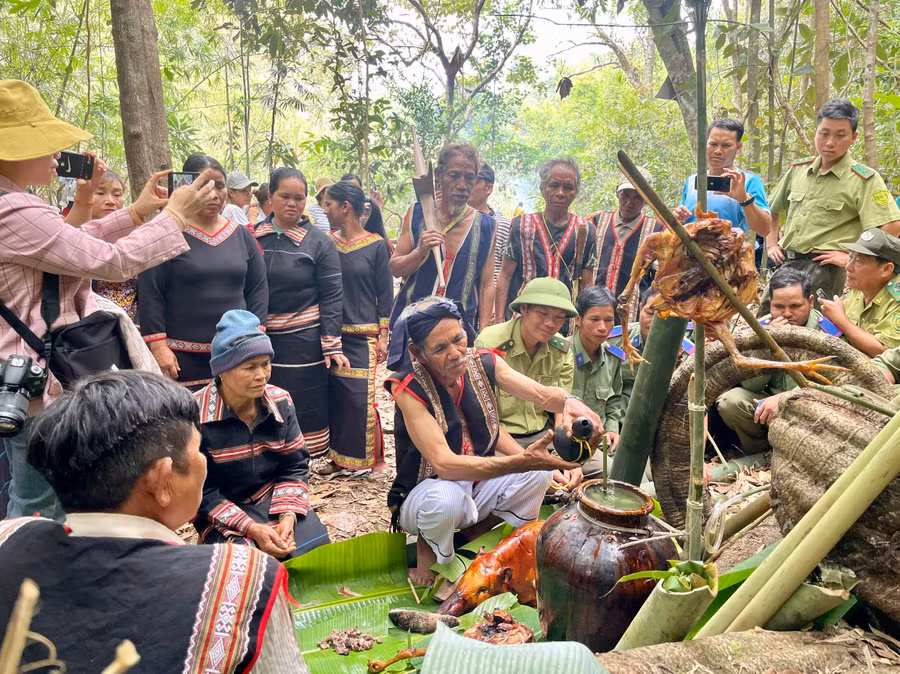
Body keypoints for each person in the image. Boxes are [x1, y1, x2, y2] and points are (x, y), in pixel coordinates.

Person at [0, 79, 217, 521]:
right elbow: (112, 262)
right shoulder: (14, 210)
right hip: (41, 379)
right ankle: (31, 580)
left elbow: (71, 245)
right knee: (40, 500)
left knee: (43, 492)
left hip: (30, 376)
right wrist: (174, 215)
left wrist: (136, 212)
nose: (55, 155)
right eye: (43, 144)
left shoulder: (17, 206)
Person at [1, 370, 309, 673]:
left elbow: (295, 466)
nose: (203, 459)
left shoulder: (8, 536)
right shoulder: (241, 580)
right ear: (162, 481)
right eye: (197, 450)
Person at [386, 296, 600, 584]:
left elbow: (540, 394)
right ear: (418, 352)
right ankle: (440, 560)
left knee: (538, 472)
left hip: (475, 485)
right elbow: (446, 466)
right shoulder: (408, 387)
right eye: (440, 348)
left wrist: (571, 402)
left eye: (458, 339)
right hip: (427, 492)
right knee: (446, 500)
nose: (455, 352)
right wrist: (518, 462)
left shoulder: (482, 362)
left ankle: (488, 540)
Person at [194, 311, 329, 558]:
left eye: (266, 364)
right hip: (222, 509)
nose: (261, 376)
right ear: (222, 370)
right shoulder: (196, 415)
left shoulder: (281, 401)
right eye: (249, 367)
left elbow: (295, 465)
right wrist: (251, 529)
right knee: (246, 563)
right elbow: (199, 489)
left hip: (272, 499)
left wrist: (287, 516)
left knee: (314, 549)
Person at [139, 154, 268, 390]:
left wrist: (255, 337)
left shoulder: (242, 235)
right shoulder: (167, 234)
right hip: (181, 358)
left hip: (236, 354)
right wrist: (158, 346)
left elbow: (258, 289)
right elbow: (151, 292)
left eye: (219, 186)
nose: (213, 193)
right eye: (203, 186)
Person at [765, 99, 900, 309]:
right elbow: (773, 208)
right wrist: (772, 243)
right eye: (824, 133)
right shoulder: (799, 170)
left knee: (810, 332)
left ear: (853, 137)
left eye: (840, 135)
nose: (830, 142)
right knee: (763, 324)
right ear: (815, 131)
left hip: (823, 269)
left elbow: (891, 225)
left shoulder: (864, 179)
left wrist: (851, 257)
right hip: (786, 263)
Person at [255, 167, 348, 459]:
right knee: (263, 395)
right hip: (262, 338)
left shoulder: (319, 242)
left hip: (303, 340)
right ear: (270, 196)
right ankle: (270, 451)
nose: (292, 204)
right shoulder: (252, 237)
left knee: (305, 396)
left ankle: (305, 455)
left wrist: (331, 343)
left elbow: (332, 294)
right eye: (284, 196)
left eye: (299, 197)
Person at [716, 268, 841, 453]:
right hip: (768, 409)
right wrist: (768, 346)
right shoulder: (759, 329)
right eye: (779, 307)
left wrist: (785, 399)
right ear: (770, 303)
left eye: (796, 306)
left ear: (811, 302)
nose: (787, 313)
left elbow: (836, 384)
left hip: (813, 406)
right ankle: (761, 452)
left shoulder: (828, 332)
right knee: (730, 401)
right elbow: (750, 387)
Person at [321, 180, 392, 474]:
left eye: (329, 205)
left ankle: (371, 460)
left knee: (360, 397)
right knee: (336, 396)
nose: (325, 210)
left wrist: (384, 334)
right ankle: (339, 458)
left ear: (344, 207)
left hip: (363, 335)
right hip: (331, 334)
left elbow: (385, 293)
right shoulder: (327, 242)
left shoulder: (376, 245)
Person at [389, 142, 496, 330]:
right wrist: (420, 251)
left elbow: (487, 285)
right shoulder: (416, 214)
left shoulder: (487, 226)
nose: (462, 185)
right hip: (410, 329)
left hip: (458, 333)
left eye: (469, 178)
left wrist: (484, 333)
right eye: (454, 176)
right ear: (439, 175)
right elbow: (395, 268)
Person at [495, 158, 597, 328]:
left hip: (563, 323)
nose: (560, 193)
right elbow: (505, 275)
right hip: (521, 319)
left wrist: (584, 324)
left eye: (568, 187)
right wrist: (499, 323)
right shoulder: (521, 226)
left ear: (576, 192)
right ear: (543, 189)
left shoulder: (585, 231)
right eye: (554, 185)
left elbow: (587, 284)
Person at [475, 278, 575, 447]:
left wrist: (564, 450)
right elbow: (484, 418)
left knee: (605, 467)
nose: (550, 323)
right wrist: (529, 460)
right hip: (499, 440)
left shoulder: (562, 349)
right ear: (524, 309)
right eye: (542, 314)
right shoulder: (489, 343)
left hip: (545, 435)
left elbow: (561, 410)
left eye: (559, 318)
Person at [64, 168, 142, 321]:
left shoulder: (135, 236)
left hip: (131, 326)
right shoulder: (69, 232)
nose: (111, 201)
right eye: (100, 193)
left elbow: (150, 287)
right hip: (87, 325)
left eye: (117, 194)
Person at [673, 118, 771, 237]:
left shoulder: (746, 181)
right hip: (688, 253)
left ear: (738, 147)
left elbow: (764, 229)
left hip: (725, 252)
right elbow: (679, 222)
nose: (718, 151)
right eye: (713, 144)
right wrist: (678, 217)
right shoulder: (692, 180)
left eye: (726, 145)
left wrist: (744, 199)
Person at [590, 168, 664, 322]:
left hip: (632, 316)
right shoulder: (596, 222)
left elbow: (660, 277)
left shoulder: (657, 231)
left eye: (638, 197)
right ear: (618, 191)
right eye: (626, 195)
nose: (630, 202)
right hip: (594, 311)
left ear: (647, 199)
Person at [568, 286, 625, 475]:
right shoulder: (560, 353)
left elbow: (615, 399)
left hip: (602, 439)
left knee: (643, 469)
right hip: (570, 440)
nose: (602, 327)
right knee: (614, 473)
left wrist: (612, 429)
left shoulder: (613, 357)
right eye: (594, 319)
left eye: (609, 320)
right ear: (578, 320)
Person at [819, 228, 900, 356]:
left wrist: (840, 319)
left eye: (858, 261)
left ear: (886, 269)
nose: (848, 267)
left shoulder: (896, 298)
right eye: (850, 257)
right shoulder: (859, 287)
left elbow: (885, 352)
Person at [467, 163, 511, 282]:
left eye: (474, 181)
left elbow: (504, 272)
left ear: (489, 188)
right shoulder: (455, 221)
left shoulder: (503, 225)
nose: (467, 185)